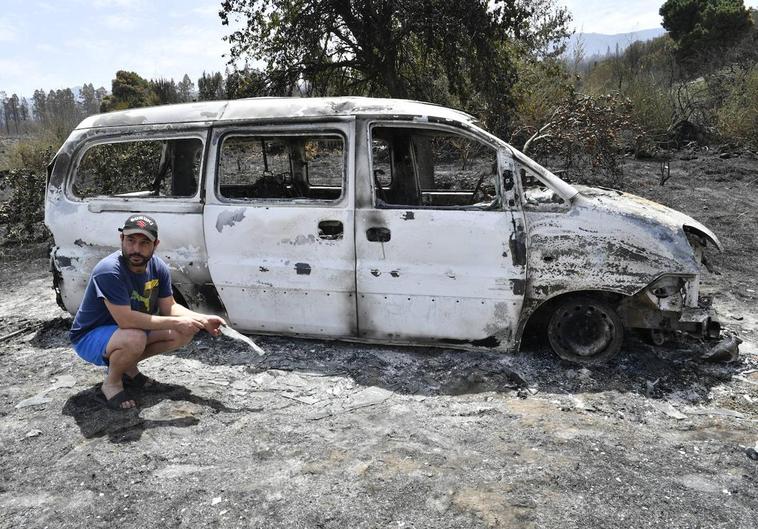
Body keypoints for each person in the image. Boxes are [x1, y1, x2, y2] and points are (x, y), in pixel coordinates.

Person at [69, 214, 225, 410]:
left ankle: (127, 369)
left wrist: (202, 319)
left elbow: (170, 307)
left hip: (124, 332)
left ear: (155, 244)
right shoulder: (109, 271)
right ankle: (112, 382)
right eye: (131, 241)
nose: (136, 249)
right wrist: (175, 322)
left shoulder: (157, 267)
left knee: (183, 332)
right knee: (134, 337)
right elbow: (126, 320)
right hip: (89, 336)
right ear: (121, 239)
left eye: (144, 243)